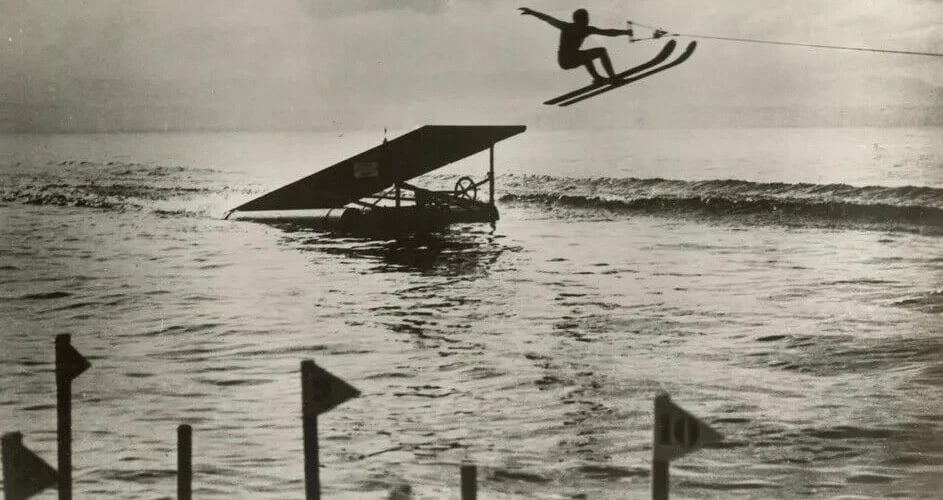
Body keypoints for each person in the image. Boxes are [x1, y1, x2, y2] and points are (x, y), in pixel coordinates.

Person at [519, 7, 632, 83]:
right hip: (566, 60)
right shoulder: (568, 27)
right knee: (601, 51)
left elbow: (608, 32)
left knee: (585, 55)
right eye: (586, 18)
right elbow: (547, 18)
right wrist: (532, 12)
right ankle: (613, 78)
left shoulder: (582, 29)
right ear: (580, 19)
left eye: (587, 18)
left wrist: (625, 32)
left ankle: (597, 78)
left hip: (567, 60)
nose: (587, 20)